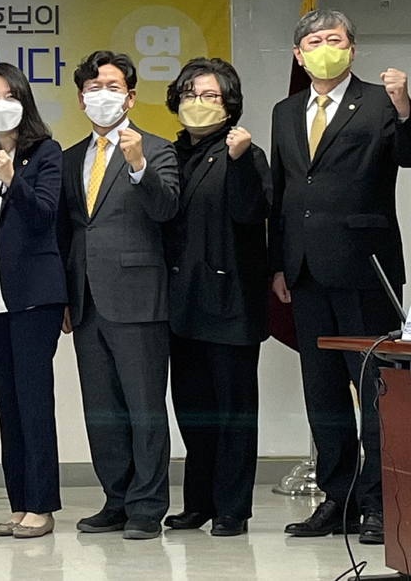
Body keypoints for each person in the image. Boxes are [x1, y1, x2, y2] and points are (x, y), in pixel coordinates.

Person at [271, 9, 411, 545]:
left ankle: (379, 502)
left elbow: (408, 155)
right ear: (298, 54)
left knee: (374, 389)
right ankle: (338, 500)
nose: (324, 48)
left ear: (352, 49)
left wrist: (405, 107)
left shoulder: (380, 100)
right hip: (305, 270)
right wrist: (279, 263)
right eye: (313, 41)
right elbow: (284, 191)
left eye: (334, 39)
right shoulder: (286, 110)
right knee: (323, 391)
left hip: (364, 267)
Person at [57, 50, 179, 540]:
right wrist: (65, 296)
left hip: (139, 298)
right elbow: (69, 231)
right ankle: (116, 499)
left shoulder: (157, 149)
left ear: (129, 97)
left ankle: (148, 506)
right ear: (81, 99)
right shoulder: (69, 158)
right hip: (86, 300)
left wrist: (138, 166)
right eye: (93, 88)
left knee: (144, 406)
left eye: (111, 87)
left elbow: (167, 209)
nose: (101, 95)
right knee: (102, 409)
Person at [161, 58, 270, 537]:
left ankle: (232, 508)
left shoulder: (244, 151)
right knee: (193, 409)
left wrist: (241, 160)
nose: (197, 103)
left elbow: (251, 213)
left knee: (234, 412)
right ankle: (198, 503)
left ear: (229, 104)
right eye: (190, 94)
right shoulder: (168, 154)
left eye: (209, 95)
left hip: (231, 301)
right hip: (181, 303)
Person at [0, 63, 65, 539]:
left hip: (34, 297)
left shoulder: (45, 152)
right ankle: (19, 502)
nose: (0, 104)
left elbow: (44, 214)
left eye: (9, 95)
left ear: (24, 101)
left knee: (34, 401)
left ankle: (42, 505)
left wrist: (12, 178)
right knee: (7, 403)